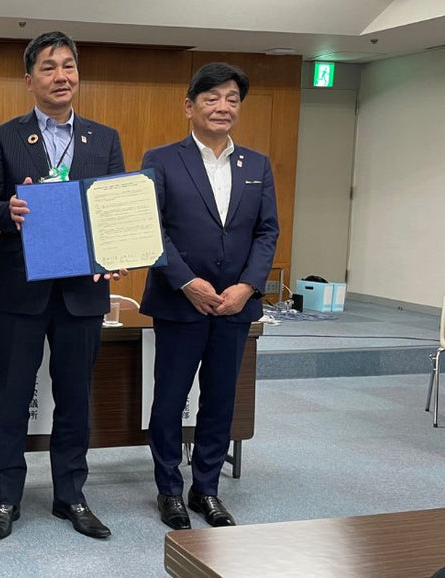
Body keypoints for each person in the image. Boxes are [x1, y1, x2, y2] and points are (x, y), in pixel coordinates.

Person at [0, 31, 125, 541]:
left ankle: (71, 495)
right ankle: (6, 497)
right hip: (22, 288)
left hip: (83, 291)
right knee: (12, 394)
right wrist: (7, 210)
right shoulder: (5, 136)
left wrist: (115, 255)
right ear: (29, 79)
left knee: (75, 396)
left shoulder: (104, 139)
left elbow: (112, 210)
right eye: (48, 68)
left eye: (68, 66)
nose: (61, 76)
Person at [141, 62, 278, 530]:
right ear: (189, 106)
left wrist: (247, 286)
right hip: (181, 302)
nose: (223, 107)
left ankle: (206, 489)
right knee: (170, 400)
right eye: (211, 98)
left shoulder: (257, 164)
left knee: (221, 400)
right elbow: (150, 229)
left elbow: (267, 231)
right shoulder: (160, 159)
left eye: (232, 99)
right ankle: (169, 490)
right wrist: (186, 281)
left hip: (235, 306)